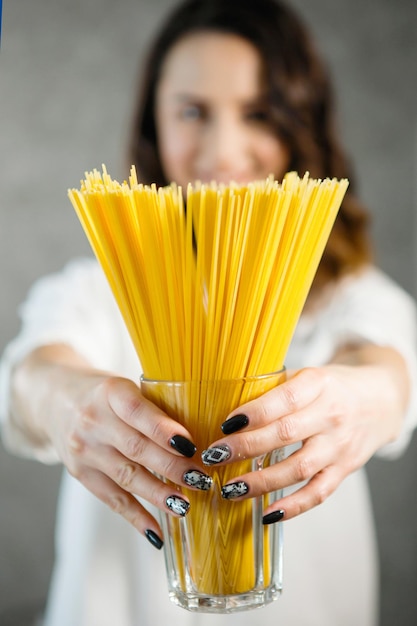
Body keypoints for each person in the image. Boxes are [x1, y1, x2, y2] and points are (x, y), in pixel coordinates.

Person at [1, 0, 416, 624]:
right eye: (193, 111)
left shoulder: (351, 293)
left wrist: (370, 397)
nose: (224, 153)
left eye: (258, 114)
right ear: (154, 124)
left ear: (301, 124)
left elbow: (384, 360)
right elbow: (33, 371)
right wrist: (63, 401)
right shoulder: (101, 288)